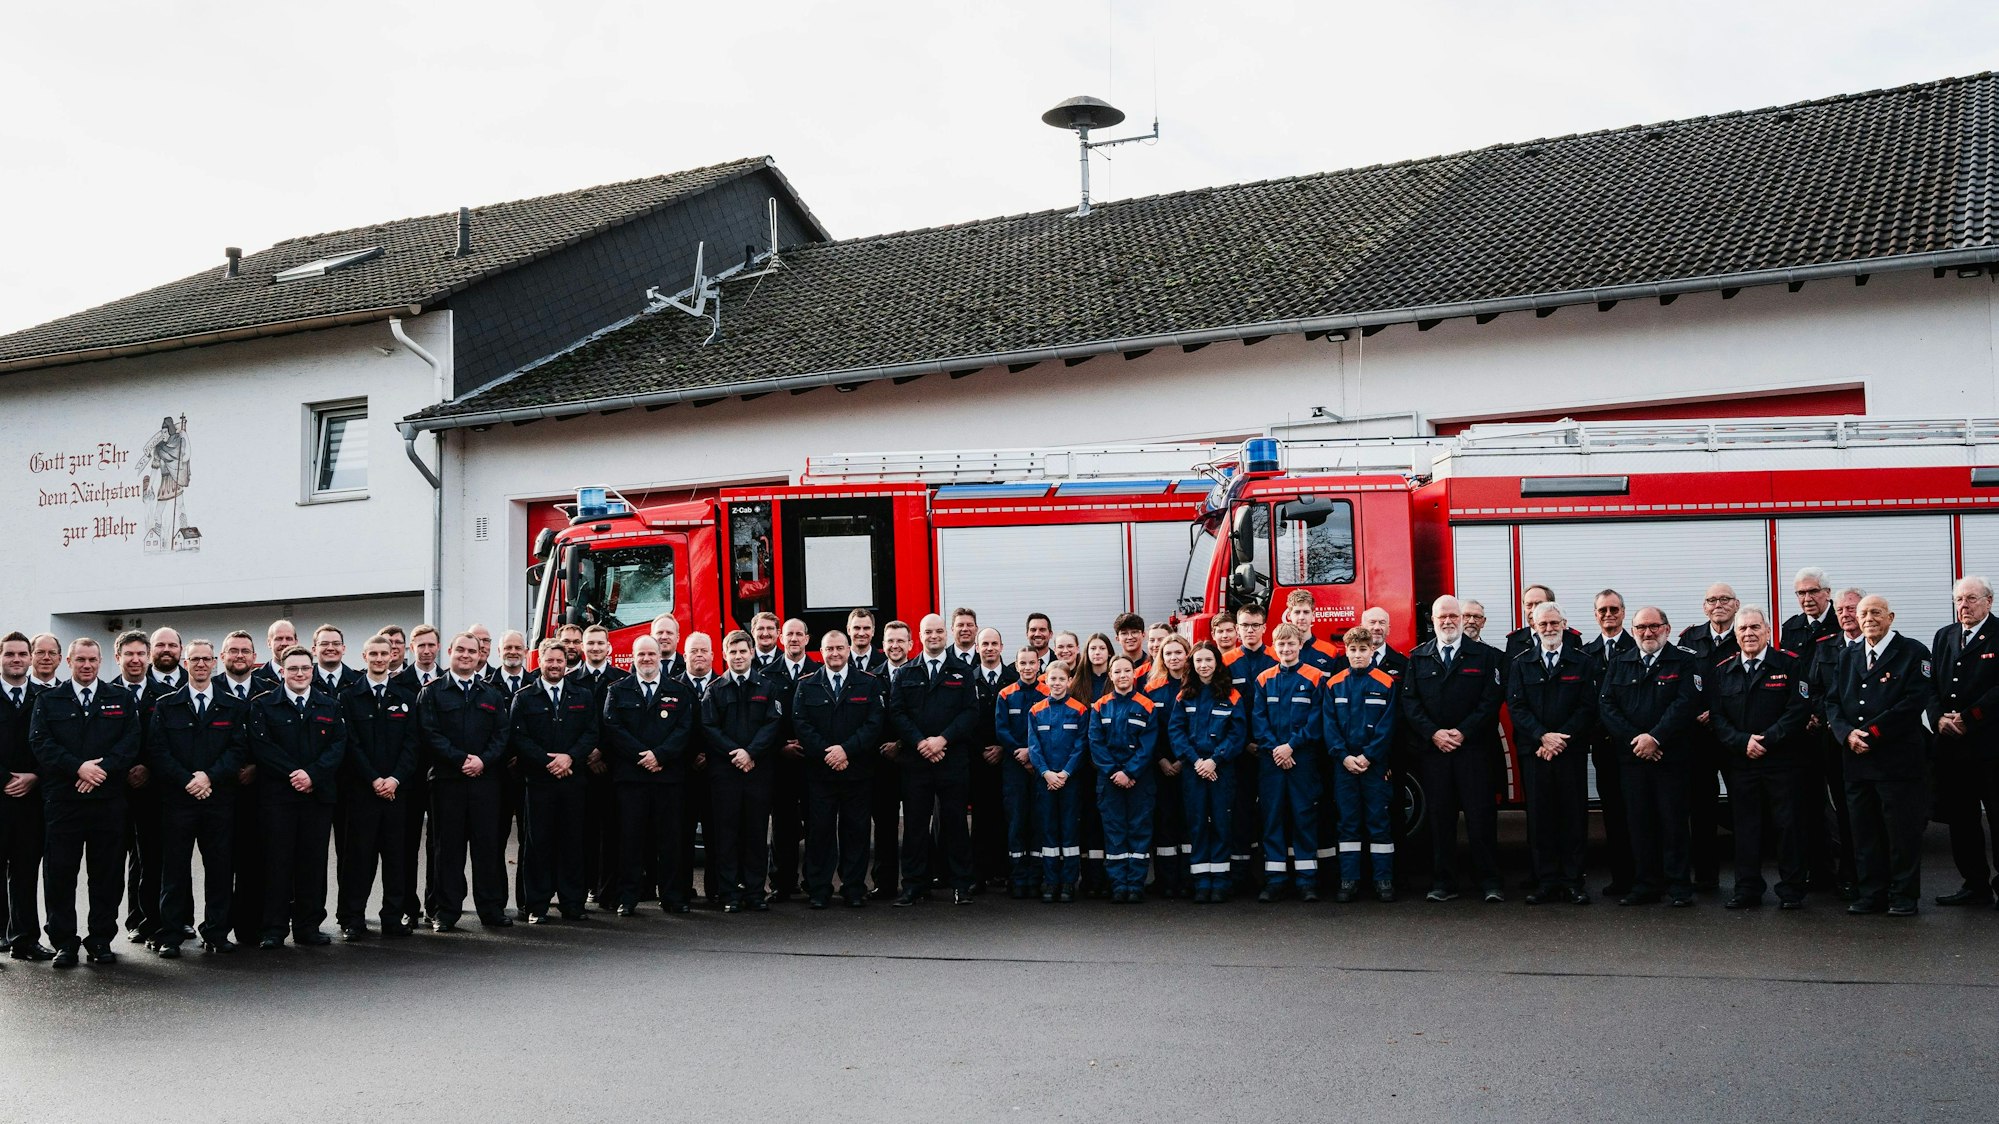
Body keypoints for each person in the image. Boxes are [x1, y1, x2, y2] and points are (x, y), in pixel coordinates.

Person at [31, 639, 139, 967]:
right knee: (60, 873)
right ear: (69, 661)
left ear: (101, 660)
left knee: (105, 874)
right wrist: (78, 767)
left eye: (93, 659)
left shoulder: (120, 697)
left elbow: (131, 741)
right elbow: (40, 742)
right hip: (64, 801)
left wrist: (101, 769)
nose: (87, 665)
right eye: (80, 660)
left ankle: (100, 939)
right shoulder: (49, 700)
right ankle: (64, 941)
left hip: (107, 801)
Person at [1828, 595, 1933, 916]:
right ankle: (1870, 893)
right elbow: (1833, 702)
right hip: (1856, 762)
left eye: (1875, 612)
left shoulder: (1913, 653)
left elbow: (1913, 702)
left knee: (1900, 833)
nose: (1868, 618)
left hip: (1896, 762)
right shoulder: (1849, 656)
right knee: (1864, 832)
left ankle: (1903, 895)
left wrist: (1871, 734)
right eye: (1863, 613)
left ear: (1891, 617)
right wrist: (1846, 733)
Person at [145, 639, 247, 957]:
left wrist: (209, 777)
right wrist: (187, 779)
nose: (200, 664)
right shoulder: (167, 704)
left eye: (206, 659)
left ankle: (216, 932)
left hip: (218, 800)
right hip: (178, 800)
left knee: (219, 869)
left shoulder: (232, 706)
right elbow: (157, 750)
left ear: (214, 662)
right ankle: (172, 934)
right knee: (174, 870)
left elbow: (238, 750)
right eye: (194, 659)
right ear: (184, 663)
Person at [1402, 596, 1507, 903]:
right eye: (1441, 617)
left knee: (1481, 818)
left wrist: (1462, 732)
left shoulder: (1487, 657)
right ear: (1432, 621)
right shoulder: (1419, 657)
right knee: (1440, 819)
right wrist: (1433, 733)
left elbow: (1491, 701)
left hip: (1474, 751)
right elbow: (1410, 703)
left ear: (1462, 618)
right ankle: (1443, 882)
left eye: (1453, 615)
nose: (1447, 621)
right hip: (1435, 753)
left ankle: (1489, 881)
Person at [1708, 606, 1812, 909]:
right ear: (1736, 635)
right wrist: (1743, 742)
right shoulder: (1723, 670)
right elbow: (1717, 717)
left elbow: (1798, 709)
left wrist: (1767, 740)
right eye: (1743, 629)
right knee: (1746, 828)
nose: (1749, 633)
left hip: (1783, 761)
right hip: (1743, 762)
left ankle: (1792, 890)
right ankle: (1747, 889)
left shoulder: (1790, 664)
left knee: (1788, 826)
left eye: (1755, 627)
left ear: (1768, 632)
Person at [1599, 607, 1701, 907]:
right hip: (1633, 759)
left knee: (1674, 823)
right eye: (1641, 627)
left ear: (1667, 629)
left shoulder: (1683, 660)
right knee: (1639, 823)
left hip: (1671, 758)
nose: (1647, 632)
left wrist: (1655, 738)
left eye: (1654, 626)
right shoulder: (1620, 663)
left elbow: (1685, 704)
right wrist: (1637, 740)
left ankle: (1679, 886)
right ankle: (1646, 885)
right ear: (1633, 631)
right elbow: (1607, 706)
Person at [247, 645, 346, 948]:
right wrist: (295, 774)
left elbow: (338, 746)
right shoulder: (263, 705)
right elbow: (262, 747)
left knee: (312, 864)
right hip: (278, 797)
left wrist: (312, 775)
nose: (300, 673)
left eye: (305, 668)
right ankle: (274, 929)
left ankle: (307, 927)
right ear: (282, 672)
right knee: (276, 863)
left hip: (317, 797)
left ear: (312, 671)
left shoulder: (329, 705)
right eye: (293, 669)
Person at [417, 633, 512, 931]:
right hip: (447, 782)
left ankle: (491, 909)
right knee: (448, 849)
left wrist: (483, 760)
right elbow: (429, 735)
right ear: (450, 652)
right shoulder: (432, 693)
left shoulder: (491, 694)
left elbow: (502, 735)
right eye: (461, 650)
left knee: (488, 848)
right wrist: (460, 760)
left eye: (473, 651)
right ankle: (446, 911)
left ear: (480, 655)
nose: (466, 655)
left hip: (485, 782)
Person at [1506, 603, 1596, 906]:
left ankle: (1573, 882)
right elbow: (1516, 707)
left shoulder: (1581, 662)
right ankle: (1545, 881)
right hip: (1536, 752)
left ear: (1564, 624)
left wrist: (1560, 739)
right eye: (1542, 624)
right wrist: (1542, 737)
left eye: (1554, 623)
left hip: (1569, 752)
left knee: (1573, 817)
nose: (1548, 628)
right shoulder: (1521, 663)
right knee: (1540, 819)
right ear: (1534, 626)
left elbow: (1587, 706)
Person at [602, 636, 699, 915]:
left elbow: (685, 728)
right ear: (633, 657)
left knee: (670, 840)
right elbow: (613, 728)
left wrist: (661, 756)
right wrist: (642, 756)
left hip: (668, 778)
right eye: (641, 654)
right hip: (631, 779)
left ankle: (672, 896)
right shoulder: (618, 690)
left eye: (651, 654)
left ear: (660, 656)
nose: (646, 659)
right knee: (630, 840)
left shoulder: (678, 691)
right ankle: (628, 897)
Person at [792, 629, 886, 908]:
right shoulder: (807, 684)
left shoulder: (867, 683)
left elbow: (874, 724)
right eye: (829, 649)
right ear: (820, 652)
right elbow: (802, 725)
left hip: (856, 772)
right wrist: (828, 753)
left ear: (848, 650)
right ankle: (820, 889)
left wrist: (846, 750)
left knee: (856, 832)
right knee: (819, 833)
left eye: (839, 648)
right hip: (820, 774)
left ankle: (853, 887)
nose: (834, 653)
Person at [890, 614, 979, 906]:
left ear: (946, 634)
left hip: (952, 760)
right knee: (915, 826)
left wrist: (943, 740)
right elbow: (897, 713)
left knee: (955, 824)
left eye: (939, 631)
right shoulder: (905, 673)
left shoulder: (963, 671)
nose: (934, 636)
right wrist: (920, 742)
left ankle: (961, 886)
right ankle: (914, 886)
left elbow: (970, 713)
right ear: (919, 635)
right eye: (928, 631)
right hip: (916, 762)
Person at [335, 635, 419, 940]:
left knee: (397, 858)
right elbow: (350, 744)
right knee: (358, 859)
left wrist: (394, 779)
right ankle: (352, 918)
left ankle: (393, 917)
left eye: (385, 653)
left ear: (393, 655)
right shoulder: (349, 696)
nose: (380, 658)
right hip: (362, 792)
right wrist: (373, 779)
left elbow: (412, 744)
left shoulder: (407, 696)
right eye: (374, 653)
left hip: (397, 792)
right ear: (364, 655)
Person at [510, 640, 596, 922]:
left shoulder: (582, 695)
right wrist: (549, 762)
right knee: (538, 845)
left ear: (566, 664)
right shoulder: (525, 697)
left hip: (573, 782)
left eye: (560, 661)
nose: (555, 665)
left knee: (573, 843)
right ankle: (537, 906)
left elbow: (591, 733)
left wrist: (569, 757)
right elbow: (519, 737)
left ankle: (573, 904)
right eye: (550, 661)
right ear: (540, 662)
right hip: (539, 783)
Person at [1929, 576, 1999, 907]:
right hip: (1953, 748)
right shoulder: (1945, 636)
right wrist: (1938, 717)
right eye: (1958, 600)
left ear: (1989, 600)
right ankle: (1974, 884)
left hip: (1990, 746)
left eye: (1971, 599)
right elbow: (1930, 686)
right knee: (1962, 819)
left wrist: (1971, 717)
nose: (1964, 606)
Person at [702, 631, 780, 912]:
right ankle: (729, 894)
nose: (738, 656)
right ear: (725, 655)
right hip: (726, 773)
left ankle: (755, 892)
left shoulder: (768, 687)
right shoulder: (715, 689)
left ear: (751, 654)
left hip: (757, 772)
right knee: (726, 836)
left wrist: (751, 753)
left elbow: (773, 724)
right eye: (732, 652)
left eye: (743, 652)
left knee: (756, 834)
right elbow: (709, 727)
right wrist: (736, 753)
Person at [1321, 626, 1399, 903]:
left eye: (1363, 650)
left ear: (1371, 651)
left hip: (1373, 766)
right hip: (1344, 766)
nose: (1357, 655)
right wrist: (1343, 756)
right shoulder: (1334, 684)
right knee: (1348, 823)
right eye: (1352, 650)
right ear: (1346, 651)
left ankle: (1383, 879)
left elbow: (1387, 727)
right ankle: (1349, 879)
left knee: (1379, 821)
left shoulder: (1386, 683)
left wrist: (1369, 756)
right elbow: (1329, 727)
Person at [1251, 623, 1327, 903]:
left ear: (1299, 645)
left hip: (1302, 759)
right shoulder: (1264, 679)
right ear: (1274, 646)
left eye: (1291, 644)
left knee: (1303, 817)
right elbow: (1259, 722)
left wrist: (1291, 746)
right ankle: (1275, 880)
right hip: (1272, 761)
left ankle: (1307, 881)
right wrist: (1277, 749)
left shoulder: (1315, 678)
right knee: (1272, 819)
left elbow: (1317, 721)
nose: (1286, 649)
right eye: (1281, 644)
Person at [1170, 641, 1246, 903]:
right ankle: (1202, 882)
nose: (1204, 665)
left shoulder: (1231, 695)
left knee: (1222, 824)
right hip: (1194, 771)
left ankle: (1221, 882)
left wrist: (1215, 760)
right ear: (1192, 664)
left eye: (1209, 660)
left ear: (1217, 663)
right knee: (1198, 823)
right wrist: (1196, 761)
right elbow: (1176, 733)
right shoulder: (1184, 695)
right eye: (1199, 661)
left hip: (1221, 771)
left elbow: (1238, 734)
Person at [1679, 583, 1742, 891]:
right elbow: (1682, 683)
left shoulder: (1745, 633)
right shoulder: (1690, 639)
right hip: (1699, 739)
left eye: (1725, 599)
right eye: (1712, 600)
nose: (1719, 604)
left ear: (1736, 604)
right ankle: (1706, 877)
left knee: (1743, 808)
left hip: (1732, 736)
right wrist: (1698, 711)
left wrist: (1716, 712)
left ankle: (1746, 880)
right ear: (1704, 607)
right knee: (1700, 810)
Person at [1806, 588, 1865, 899]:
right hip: (1833, 739)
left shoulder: (1874, 646)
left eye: (1851, 608)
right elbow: (1814, 689)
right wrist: (1827, 716)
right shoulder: (1827, 647)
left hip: (1867, 740)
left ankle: (1865, 874)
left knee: (1863, 810)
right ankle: (1847, 874)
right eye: (1840, 609)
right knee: (1840, 807)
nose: (1845, 614)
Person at [0, 634, 53, 961]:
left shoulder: (46, 698)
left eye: (22, 653)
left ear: (31, 658)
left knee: (25, 872)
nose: (16, 659)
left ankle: (24, 939)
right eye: (10, 654)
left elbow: (54, 744)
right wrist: (4, 779)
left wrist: (36, 777)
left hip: (33, 801)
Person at [1090, 656, 1159, 904]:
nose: (1122, 675)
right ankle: (1119, 885)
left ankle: (1136, 885)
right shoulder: (1099, 706)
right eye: (1117, 671)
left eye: (1127, 670)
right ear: (1110, 675)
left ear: (1134, 674)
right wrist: (1114, 772)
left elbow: (1148, 745)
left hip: (1139, 780)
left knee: (1139, 831)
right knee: (1115, 832)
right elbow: (1096, 744)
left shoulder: (1147, 706)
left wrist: (1130, 772)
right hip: (1110, 782)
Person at [1583, 589, 1638, 897]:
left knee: (1640, 813)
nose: (1608, 614)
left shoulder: (1636, 647)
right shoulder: (1587, 653)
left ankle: (1646, 875)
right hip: (1604, 748)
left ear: (1623, 612)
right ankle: (1621, 878)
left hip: (1632, 748)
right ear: (1595, 614)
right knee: (1614, 815)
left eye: (1614, 609)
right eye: (1602, 610)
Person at [571, 625, 628, 911]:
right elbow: (569, 727)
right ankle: (580, 892)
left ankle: (608, 893)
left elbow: (620, 724)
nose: (595, 648)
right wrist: (586, 755)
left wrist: (601, 752)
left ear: (610, 648)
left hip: (610, 769)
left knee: (611, 833)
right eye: (590, 643)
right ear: (583, 646)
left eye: (600, 643)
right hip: (579, 770)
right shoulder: (571, 680)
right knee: (581, 833)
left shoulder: (621, 681)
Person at [217, 630, 268, 945]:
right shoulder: (207, 689)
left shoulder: (269, 691)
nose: (239, 656)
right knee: (220, 864)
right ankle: (218, 928)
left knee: (253, 863)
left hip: (259, 792)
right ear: (222, 657)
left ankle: (250, 929)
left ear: (254, 657)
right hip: (218, 790)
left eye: (245, 651)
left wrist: (258, 768)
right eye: (233, 651)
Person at [1027, 660, 1090, 902]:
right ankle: (1051, 881)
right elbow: (1034, 746)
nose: (1057, 683)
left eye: (1061, 679)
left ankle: (1068, 883)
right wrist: (1046, 773)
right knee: (1049, 830)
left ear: (1069, 681)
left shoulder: (1079, 710)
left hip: (1069, 781)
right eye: (1052, 679)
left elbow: (1080, 745)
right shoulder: (1036, 710)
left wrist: (1065, 773)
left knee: (1070, 830)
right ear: (1046, 680)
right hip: (1045, 781)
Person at [1224, 604, 1273, 895]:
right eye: (1245, 625)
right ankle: (1241, 875)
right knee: (1240, 811)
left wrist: (1264, 743)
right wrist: (1243, 743)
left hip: (1270, 750)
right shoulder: (1227, 662)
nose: (1250, 630)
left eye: (1256, 624)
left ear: (1264, 627)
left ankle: (1267, 874)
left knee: (1270, 811)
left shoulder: (1277, 656)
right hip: (1239, 750)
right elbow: (1223, 709)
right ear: (1238, 629)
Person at [764, 618, 814, 902]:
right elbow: (762, 719)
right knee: (782, 824)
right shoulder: (767, 675)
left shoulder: (818, 672)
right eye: (789, 634)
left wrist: (807, 744)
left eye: (799, 634)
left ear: (807, 638)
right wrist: (780, 745)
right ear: (781, 638)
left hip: (812, 760)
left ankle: (813, 883)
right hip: (780, 760)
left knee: (816, 823)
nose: (794, 638)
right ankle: (782, 883)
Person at [993, 647, 1046, 898]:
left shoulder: (1048, 693)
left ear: (1039, 665)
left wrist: (1032, 754)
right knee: (1016, 821)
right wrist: (1019, 752)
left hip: (1040, 766)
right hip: (1014, 767)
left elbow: (1050, 731)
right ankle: (1017, 877)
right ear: (1015, 665)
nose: (1027, 667)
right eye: (1022, 663)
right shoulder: (1006, 694)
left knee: (1037, 820)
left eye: (1032, 663)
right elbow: (1001, 729)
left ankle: (1035, 876)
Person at [1144, 635, 1192, 898]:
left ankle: (1187, 879)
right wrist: (1161, 760)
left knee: (1187, 822)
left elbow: (1198, 729)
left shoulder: (1196, 686)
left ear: (1188, 655)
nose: (1174, 658)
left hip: (1189, 765)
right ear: (1161, 657)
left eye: (1179, 652)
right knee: (1163, 822)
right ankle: (1165, 880)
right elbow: (1149, 731)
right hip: (1160, 766)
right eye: (1168, 653)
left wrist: (1184, 759)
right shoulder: (1152, 689)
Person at [868, 620, 913, 900]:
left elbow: (924, 715)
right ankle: (884, 884)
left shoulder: (919, 674)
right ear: (882, 646)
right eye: (890, 641)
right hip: (881, 764)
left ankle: (912, 882)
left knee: (915, 825)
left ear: (910, 644)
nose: (895, 646)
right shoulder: (872, 678)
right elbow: (869, 719)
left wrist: (902, 744)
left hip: (912, 761)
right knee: (884, 827)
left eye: (900, 640)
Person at [968, 627, 1014, 891]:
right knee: (981, 818)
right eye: (984, 644)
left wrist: (1002, 748)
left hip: (1007, 759)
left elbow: (1020, 723)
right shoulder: (967, 679)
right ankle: (980, 874)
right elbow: (965, 719)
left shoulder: (1013, 677)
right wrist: (983, 749)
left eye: (994, 643)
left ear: (1002, 646)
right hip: (978, 759)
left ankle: (1004, 870)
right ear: (977, 647)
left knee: (1006, 815)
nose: (989, 648)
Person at [673, 633, 715, 905]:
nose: (699, 655)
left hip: (716, 773)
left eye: (704, 650)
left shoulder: (723, 684)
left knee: (716, 835)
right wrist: (690, 755)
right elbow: (671, 730)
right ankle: (681, 890)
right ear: (684, 655)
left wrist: (710, 755)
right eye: (693, 651)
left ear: (712, 655)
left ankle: (715, 889)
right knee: (681, 835)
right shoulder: (672, 687)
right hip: (683, 773)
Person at [1075, 632, 1117, 897]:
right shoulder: (1078, 685)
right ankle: (1090, 879)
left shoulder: (1116, 683)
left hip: (1109, 763)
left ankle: (1110, 878)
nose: (1097, 653)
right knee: (1087, 821)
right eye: (1093, 649)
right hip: (1082, 764)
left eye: (1102, 648)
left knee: (1109, 822)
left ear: (1109, 652)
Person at [1283, 591, 1341, 674]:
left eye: (1306, 612)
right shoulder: (1279, 651)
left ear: (1313, 616)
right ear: (1289, 616)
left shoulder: (1330, 652)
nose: (1301, 617)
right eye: (1297, 612)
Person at [310, 625, 361, 696]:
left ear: (343, 649)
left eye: (336, 644)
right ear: (314, 650)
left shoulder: (359, 681)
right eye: (324, 644)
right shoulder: (304, 680)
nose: (330, 648)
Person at [848, 609, 887, 676]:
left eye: (866, 628)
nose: (861, 633)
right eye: (857, 628)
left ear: (873, 631)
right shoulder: (840, 661)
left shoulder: (885, 661)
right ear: (848, 630)